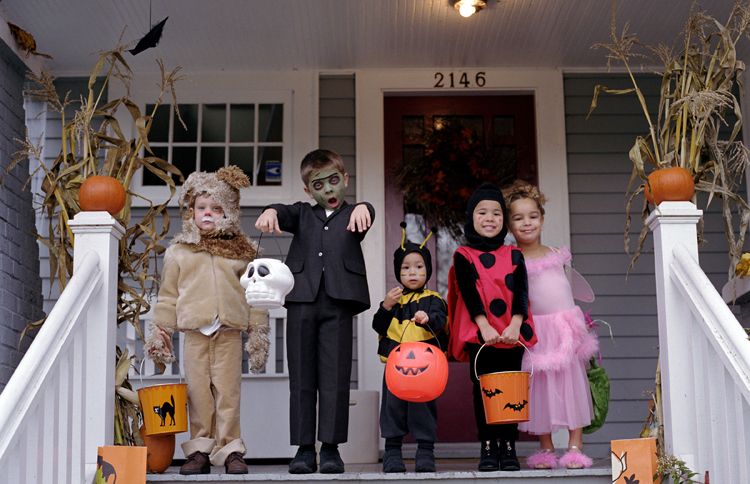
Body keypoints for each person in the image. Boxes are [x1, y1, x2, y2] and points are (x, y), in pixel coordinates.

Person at [255, 149, 374, 474]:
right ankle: (305, 448)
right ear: (309, 190)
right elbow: (282, 211)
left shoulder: (354, 214)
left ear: (345, 179)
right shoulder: (302, 214)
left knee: (335, 377)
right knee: (303, 376)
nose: (329, 190)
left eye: (334, 181)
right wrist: (269, 210)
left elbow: (368, 213)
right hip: (302, 301)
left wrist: (364, 206)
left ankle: (331, 448)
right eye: (319, 185)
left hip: (338, 302)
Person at [144, 166, 270, 475]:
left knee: (228, 393)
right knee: (198, 393)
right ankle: (199, 449)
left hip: (228, 331)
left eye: (217, 208)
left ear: (230, 212)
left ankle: (230, 449)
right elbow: (168, 296)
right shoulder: (179, 253)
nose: (209, 214)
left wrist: (257, 332)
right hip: (195, 333)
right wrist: (161, 332)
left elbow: (255, 293)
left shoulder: (242, 252)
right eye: (202, 208)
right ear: (191, 211)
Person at [504, 180, 599, 469]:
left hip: (564, 328)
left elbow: (568, 291)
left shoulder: (557, 255)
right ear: (509, 226)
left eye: (533, 216)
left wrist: (578, 324)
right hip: (535, 331)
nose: (527, 223)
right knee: (540, 387)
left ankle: (574, 446)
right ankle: (545, 448)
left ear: (542, 219)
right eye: (518, 218)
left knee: (572, 384)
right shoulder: (512, 259)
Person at [447, 182, 537, 472]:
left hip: (510, 331)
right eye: (482, 212)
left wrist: (515, 323)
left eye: (496, 213)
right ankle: (488, 445)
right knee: (484, 389)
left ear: (503, 220)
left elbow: (522, 291)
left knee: (510, 388)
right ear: (471, 217)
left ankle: (509, 446)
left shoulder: (513, 255)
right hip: (481, 333)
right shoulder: (463, 255)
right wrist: (483, 325)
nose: (489, 218)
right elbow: (468, 292)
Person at [372, 224, 447, 473]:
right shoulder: (393, 300)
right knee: (392, 407)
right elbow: (378, 325)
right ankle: (393, 451)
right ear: (398, 272)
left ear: (427, 270)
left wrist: (429, 318)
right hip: (396, 365)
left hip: (426, 367)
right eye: (406, 268)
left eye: (419, 267)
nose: (412, 272)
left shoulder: (434, 299)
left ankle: (425, 451)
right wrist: (385, 305)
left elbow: (441, 321)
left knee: (423, 407)